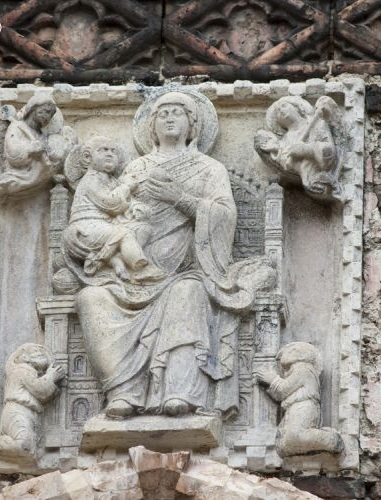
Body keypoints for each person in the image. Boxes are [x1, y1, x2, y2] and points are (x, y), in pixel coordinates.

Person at [67, 91, 275, 419]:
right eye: (162, 113)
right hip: (130, 275)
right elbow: (110, 213)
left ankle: (180, 391)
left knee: (187, 293)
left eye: (178, 113)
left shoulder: (209, 169)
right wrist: (76, 239)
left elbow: (223, 216)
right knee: (90, 299)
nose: (169, 118)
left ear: (193, 125)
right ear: (151, 126)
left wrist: (179, 198)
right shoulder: (137, 167)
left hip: (185, 270)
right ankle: (124, 391)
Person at [62, 135, 164, 282]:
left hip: (105, 226)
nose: (109, 154)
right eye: (103, 150)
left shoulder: (111, 180)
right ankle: (140, 268)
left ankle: (113, 259)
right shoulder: (91, 179)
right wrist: (127, 186)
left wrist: (137, 207)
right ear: (87, 157)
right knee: (124, 233)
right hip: (85, 228)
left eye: (113, 151)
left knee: (143, 229)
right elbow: (111, 203)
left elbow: (125, 202)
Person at [254, 96, 340, 199]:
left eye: (284, 106)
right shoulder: (286, 139)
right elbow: (287, 164)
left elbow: (329, 151)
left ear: (297, 107)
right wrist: (276, 149)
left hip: (320, 177)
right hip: (307, 182)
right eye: (277, 112)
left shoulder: (316, 124)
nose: (281, 111)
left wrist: (308, 150)